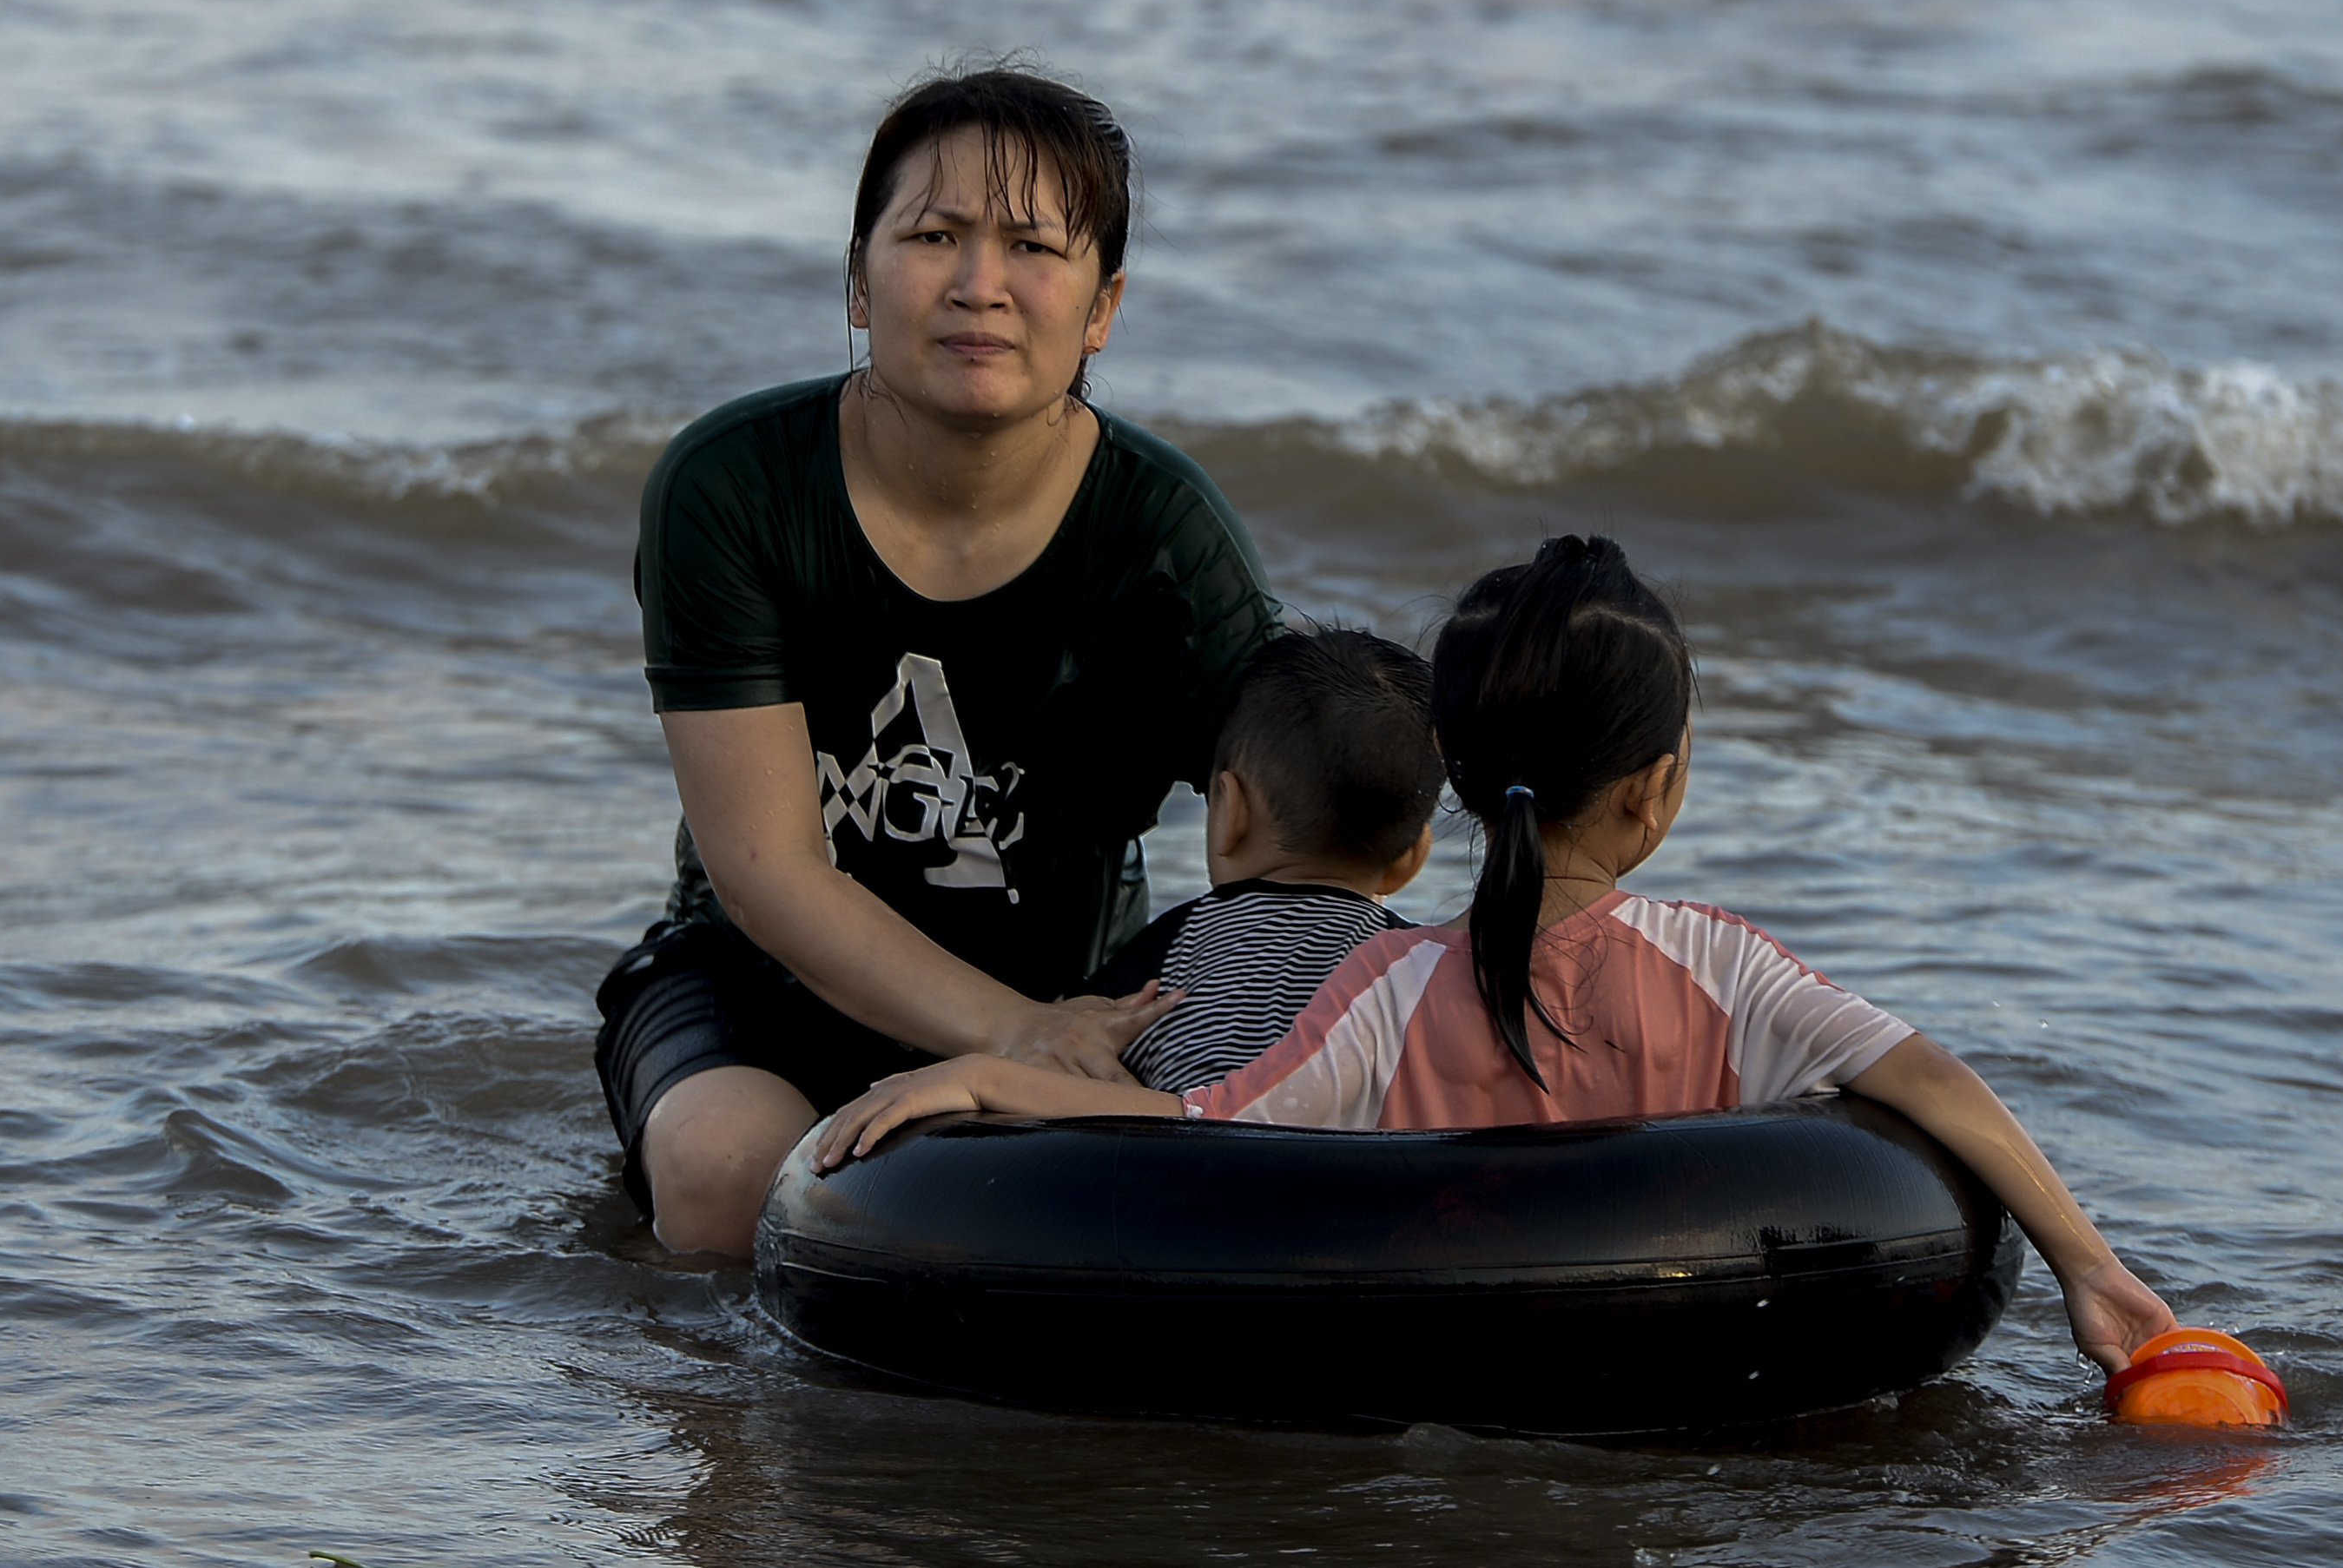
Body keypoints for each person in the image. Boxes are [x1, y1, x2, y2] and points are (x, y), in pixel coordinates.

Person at [815, 536, 2179, 1374]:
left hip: (1421, 1376)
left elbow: (1190, 1129)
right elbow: (1928, 1081)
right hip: (1664, 1372)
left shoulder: (1387, 986)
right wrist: (2088, 1266)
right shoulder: (1722, 966)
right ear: (1658, 786)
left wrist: (989, 1083)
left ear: (1452, 780)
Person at [593, 63, 1283, 1255]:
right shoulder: (730, 487)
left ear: (1101, 306)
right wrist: (1011, 1035)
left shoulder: (1163, 536)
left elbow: (1299, 827)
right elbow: (763, 871)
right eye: (932, 236)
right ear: (857, 283)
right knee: (724, 1183)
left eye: (1031, 246)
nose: (979, 286)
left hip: (1074, 993)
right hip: (756, 984)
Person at [1083, 627, 1442, 1094]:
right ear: (1412, 857)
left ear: (1232, 811)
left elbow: (1074, 1035)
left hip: (1184, 1158)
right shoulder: (1413, 964)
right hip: (1356, 1164)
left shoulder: (1177, 944)